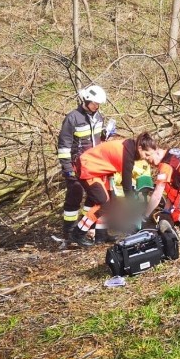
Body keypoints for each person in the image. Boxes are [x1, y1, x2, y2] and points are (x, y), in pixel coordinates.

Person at [68, 132, 159, 246]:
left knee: (110, 201)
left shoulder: (131, 147)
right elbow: (126, 184)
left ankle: (101, 235)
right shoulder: (128, 154)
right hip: (87, 168)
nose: (146, 158)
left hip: (100, 171)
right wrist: (133, 206)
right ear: (140, 148)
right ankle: (78, 233)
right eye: (146, 154)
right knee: (103, 203)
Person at [57, 84, 116, 241]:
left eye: (99, 104)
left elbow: (98, 141)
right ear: (86, 100)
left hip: (94, 166)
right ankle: (69, 233)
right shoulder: (72, 118)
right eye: (95, 104)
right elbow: (64, 147)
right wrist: (68, 169)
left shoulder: (98, 117)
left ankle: (86, 228)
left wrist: (106, 137)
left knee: (94, 197)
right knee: (74, 196)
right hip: (76, 167)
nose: (97, 107)